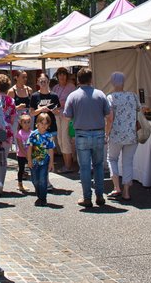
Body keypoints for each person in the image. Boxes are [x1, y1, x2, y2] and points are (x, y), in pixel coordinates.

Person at [63, 67, 111, 208]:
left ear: (78, 80)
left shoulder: (73, 96)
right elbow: (108, 115)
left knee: (84, 167)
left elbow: (67, 115)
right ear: (91, 79)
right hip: (98, 132)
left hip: (82, 133)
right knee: (98, 166)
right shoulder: (100, 94)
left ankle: (87, 197)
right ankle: (100, 195)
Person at [106, 71, 139, 201]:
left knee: (112, 159)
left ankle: (116, 187)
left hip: (116, 134)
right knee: (128, 162)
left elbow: (109, 118)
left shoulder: (110, 97)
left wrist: (106, 133)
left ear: (113, 82)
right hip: (131, 134)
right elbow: (139, 110)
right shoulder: (133, 95)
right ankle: (126, 191)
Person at [51, 67, 77, 173]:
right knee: (60, 140)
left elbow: (74, 101)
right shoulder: (55, 88)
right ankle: (67, 163)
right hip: (57, 115)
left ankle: (68, 165)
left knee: (65, 139)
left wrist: (63, 104)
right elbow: (52, 101)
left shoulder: (71, 87)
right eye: (60, 74)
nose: (62, 76)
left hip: (67, 116)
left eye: (64, 74)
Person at [27, 112, 55, 207]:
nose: (43, 125)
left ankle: (43, 198)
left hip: (44, 161)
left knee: (43, 180)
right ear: (37, 123)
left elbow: (50, 149)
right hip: (34, 161)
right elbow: (29, 148)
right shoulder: (33, 134)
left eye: (46, 123)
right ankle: (39, 194)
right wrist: (29, 160)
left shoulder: (48, 136)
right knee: (35, 180)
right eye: (41, 123)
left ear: (48, 125)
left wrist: (51, 163)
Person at [0, 74, 16, 189]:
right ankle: (1, 184)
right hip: (6, 131)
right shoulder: (11, 100)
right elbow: (12, 119)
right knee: (3, 159)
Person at [15, 114, 32, 193]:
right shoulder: (19, 133)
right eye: (24, 122)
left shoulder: (32, 132)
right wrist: (26, 156)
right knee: (21, 169)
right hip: (21, 155)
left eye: (28, 122)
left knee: (32, 169)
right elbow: (20, 146)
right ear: (21, 123)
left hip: (31, 155)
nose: (27, 124)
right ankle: (20, 184)